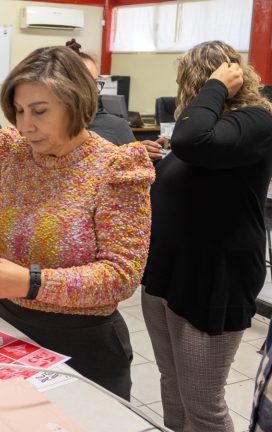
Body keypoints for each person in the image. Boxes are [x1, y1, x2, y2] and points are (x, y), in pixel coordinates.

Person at [0, 46, 154, 400]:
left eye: (39, 111)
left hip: (83, 343)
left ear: (75, 104)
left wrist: (31, 282)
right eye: (20, 111)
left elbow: (121, 276)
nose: (26, 125)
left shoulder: (115, 169)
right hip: (6, 325)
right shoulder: (13, 152)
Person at [140, 40, 272, 432]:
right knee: (172, 386)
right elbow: (191, 162)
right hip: (167, 273)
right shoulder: (203, 129)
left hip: (215, 279)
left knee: (203, 404)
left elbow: (192, 141)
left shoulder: (257, 120)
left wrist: (214, 87)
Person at [65, 39, 136, 146]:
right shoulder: (47, 126)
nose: (92, 91)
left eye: (95, 83)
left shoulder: (116, 127)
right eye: (84, 83)